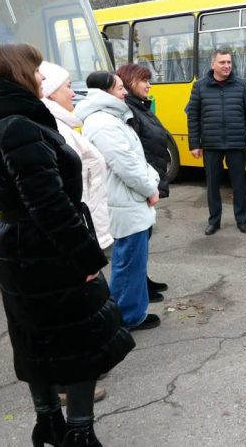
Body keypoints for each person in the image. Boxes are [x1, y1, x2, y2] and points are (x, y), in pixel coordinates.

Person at [0, 44, 134, 447]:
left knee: (37, 340)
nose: (43, 77)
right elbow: (49, 204)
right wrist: (85, 259)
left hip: (24, 249)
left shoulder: (5, 120)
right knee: (77, 344)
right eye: (36, 70)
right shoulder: (20, 125)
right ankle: (78, 432)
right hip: (46, 251)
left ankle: (49, 425)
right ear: (17, 74)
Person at [39, 61, 112, 406]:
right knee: (74, 307)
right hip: (76, 229)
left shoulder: (64, 122)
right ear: (49, 90)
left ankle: (84, 369)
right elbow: (63, 191)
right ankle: (69, 385)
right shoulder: (51, 125)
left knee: (87, 304)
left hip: (86, 224)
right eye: (67, 85)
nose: (73, 91)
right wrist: (82, 243)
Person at [74, 71, 162, 331]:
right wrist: (150, 188)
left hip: (128, 199)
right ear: (105, 92)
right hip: (125, 201)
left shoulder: (109, 118)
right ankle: (125, 317)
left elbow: (134, 159)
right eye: (120, 88)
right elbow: (127, 165)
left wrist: (151, 180)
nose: (125, 92)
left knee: (133, 262)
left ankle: (131, 312)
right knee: (128, 264)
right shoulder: (104, 123)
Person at [186, 48, 246, 235]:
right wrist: (194, 144)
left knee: (239, 184)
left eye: (229, 62)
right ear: (213, 65)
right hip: (211, 145)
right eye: (222, 62)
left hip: (236, 144)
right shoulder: (199, 87)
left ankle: (242, 220)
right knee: (212, 186)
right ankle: (214, 221)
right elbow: (193, 117)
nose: (226, 66)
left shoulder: (242, 86)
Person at [117, 63, 172, 302]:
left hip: (150, 178)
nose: (148, 85)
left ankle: (143, 281)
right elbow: (133, 153)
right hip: (142, 183)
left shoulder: (140, 106)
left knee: (145, 236)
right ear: (129, 83)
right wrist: (148, 184)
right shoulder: (129, 110)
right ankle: (138, 288)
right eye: (143, 80)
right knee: (138, 239)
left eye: (148, 80)